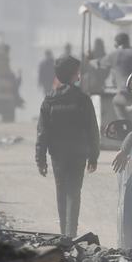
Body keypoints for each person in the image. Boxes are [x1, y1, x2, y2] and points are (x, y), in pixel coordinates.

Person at [36, 56, 100, 237]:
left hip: (57, 155)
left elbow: (42, 132)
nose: (79, 76)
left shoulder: (49, 100)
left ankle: (64, 233)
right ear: (73, 75)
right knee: (74, 192)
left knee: (61, 192)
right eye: (77, 72)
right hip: (78, 154)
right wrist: (93, 156)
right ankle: (70, 233)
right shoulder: (83, 99)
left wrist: (40, 159)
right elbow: (92, 130)